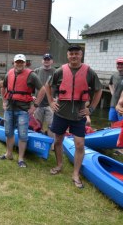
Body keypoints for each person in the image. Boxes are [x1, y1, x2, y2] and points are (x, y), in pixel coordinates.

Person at [46, 45, 102, 188]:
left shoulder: (89, 72)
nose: (74, 56)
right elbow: (47, 86)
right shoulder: (60, 71)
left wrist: (92, 108)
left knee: (79, 144)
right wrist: (51, 102)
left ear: (81, 55)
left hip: (78, 115)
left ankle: (75, 173)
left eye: (77, 54)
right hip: (61, 113)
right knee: (57, 141)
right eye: (71, 54)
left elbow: (98, 90)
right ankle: (59, 165)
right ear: (68, 55)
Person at [0, 54, 46, 168]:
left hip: (23, 110)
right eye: (17, 62)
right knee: (8, 132)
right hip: (9, 108)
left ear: (25, 63)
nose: (19, 64)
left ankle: (20, 159)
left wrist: (35, 106)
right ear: (14, 63)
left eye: (21, 62)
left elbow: (43, 90)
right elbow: (2, 87)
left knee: (22, 135)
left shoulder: (31, 75)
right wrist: (4, 101)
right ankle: (8, 154)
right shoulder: (9, 73)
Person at [33, 53, 56, 142]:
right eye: (45, 59)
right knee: (38, 124)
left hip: (51, 104)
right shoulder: (36, 71)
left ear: (52, 61)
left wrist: (57, 98)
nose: (46, 61)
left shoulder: (56, 72)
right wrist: (31, 97)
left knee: (52, 125)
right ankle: (38, 142)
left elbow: (61, 86)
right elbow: (29, 85)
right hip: (38, 104)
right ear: (42, 61)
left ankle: (51, 144)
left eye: (48, 59)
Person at [108, 57, 123, 155]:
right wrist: (112, 92)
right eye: (118, 64)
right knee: (113, 123)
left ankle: (121, 149)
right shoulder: (114, 75)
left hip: (121, 106)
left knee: (122, 125)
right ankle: (112, 143)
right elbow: (109, 84)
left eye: (121, 64)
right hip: (113, 104)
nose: (119, 66)